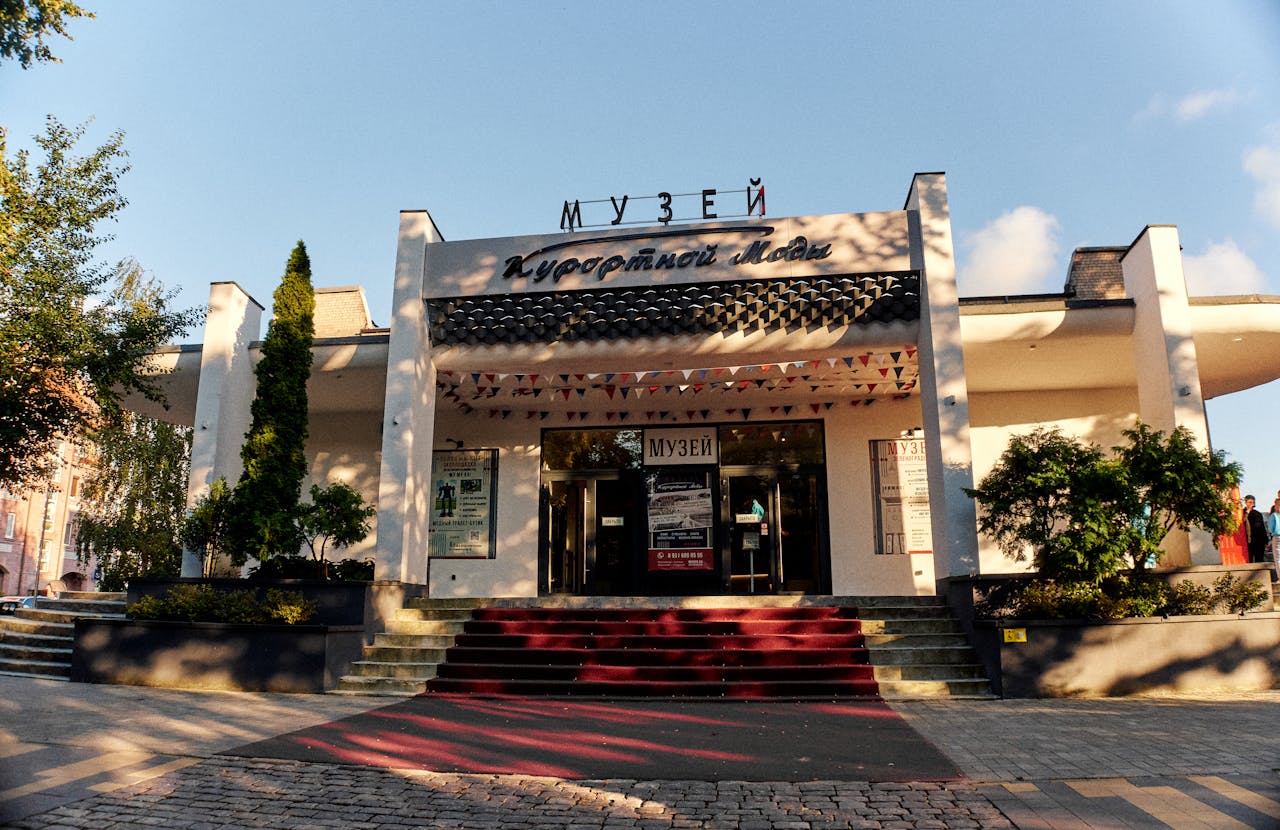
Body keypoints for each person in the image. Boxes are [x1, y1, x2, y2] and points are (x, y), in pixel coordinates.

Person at [1243, 494, 1268, 564]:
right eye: (1250, 502)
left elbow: (1262, 528)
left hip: (1258, 541)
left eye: (1253, 502)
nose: (1252, 504)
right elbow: (1241, 524)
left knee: (1259, 560)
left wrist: (1265, 541)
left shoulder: (1257, 514)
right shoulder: (1242, 513)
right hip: (1247, 541)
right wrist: (1246, 514)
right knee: (1248, 560)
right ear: (1246, 502)